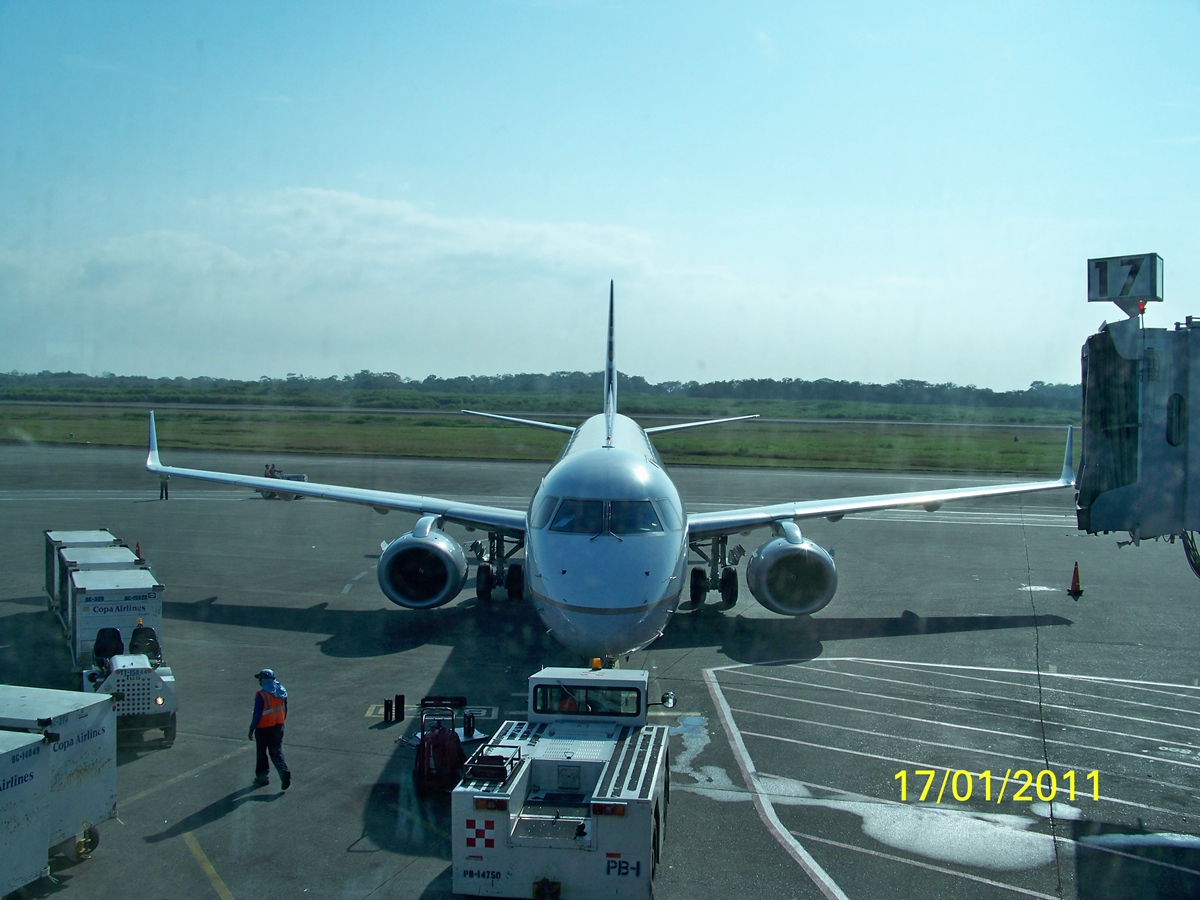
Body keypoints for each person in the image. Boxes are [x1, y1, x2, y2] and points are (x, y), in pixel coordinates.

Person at [248, 668, 291, 790]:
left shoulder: (262, 695)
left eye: (261, 679)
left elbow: (257, 714)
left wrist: (252, 729)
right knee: (276, 751)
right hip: (278, 727)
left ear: (265, 680)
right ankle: (284, 772)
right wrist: (282, 723)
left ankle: (262, 778)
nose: (260, 682)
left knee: (261, 753)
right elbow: (285, 708)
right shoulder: (282, 691)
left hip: (263, 729)